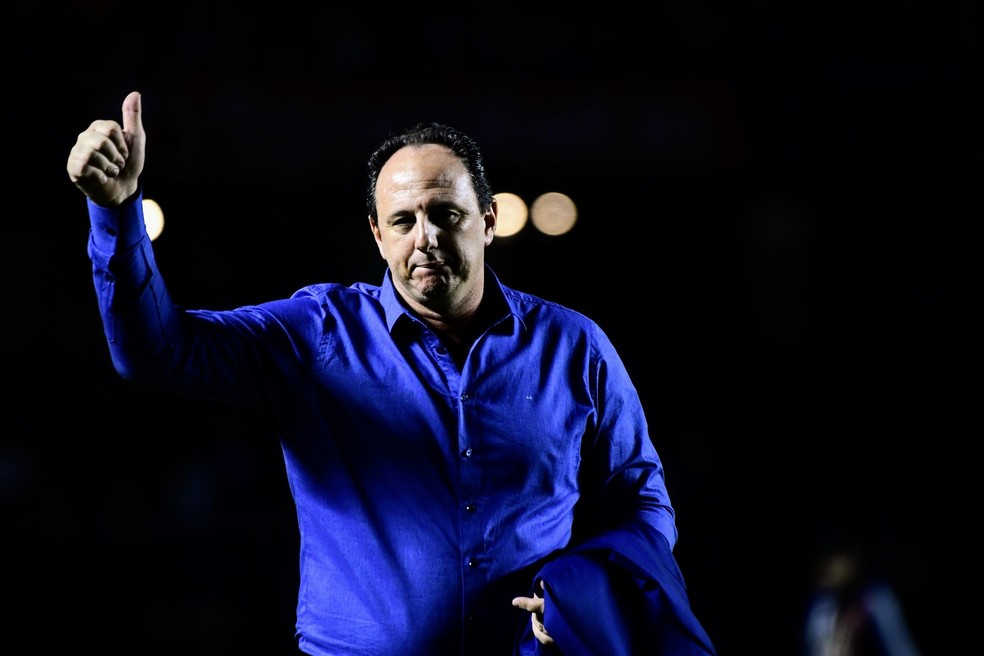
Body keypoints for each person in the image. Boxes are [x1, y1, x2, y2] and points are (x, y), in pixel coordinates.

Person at [66, 90, 717, 656]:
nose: (425, 237)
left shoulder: (576, 347)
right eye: (403, 221)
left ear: (488, 222)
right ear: (378, 235)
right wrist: (116, 213)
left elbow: (642, 502)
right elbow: (156, 351)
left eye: (447, 215)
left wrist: (584, 595)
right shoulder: (314, 333)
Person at [801, 543, 921, 656]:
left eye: (835, 561)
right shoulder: (822, 604)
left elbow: (899, 647)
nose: (829, 568)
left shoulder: (877, 598)